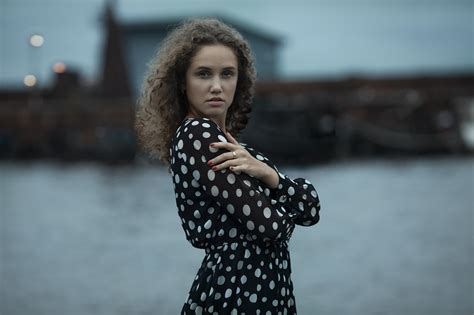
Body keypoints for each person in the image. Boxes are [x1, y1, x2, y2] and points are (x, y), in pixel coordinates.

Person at [135, 17, 321, 314]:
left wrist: (271, 177)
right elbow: (274, 227)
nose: (217, 86)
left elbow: (311, 211)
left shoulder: (231, 146)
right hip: (237, 293)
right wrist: (283, 197)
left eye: (228, 74)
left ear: (240, 80)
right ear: (182, 83)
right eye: (204, 74)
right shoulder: (198, 135)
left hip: (262, 291)